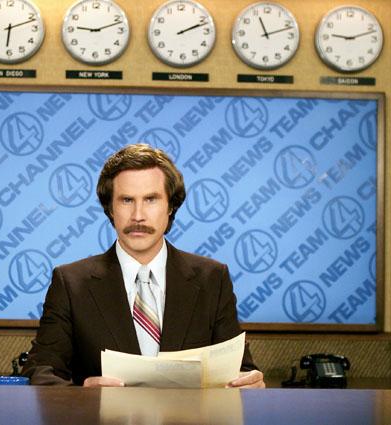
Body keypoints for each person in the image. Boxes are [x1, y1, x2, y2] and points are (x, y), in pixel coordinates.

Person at [22, 143, 265, 388]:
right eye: (127, 200)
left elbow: (240, 370)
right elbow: (40, 372)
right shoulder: (71, 284)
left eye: (151, 199)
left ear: (170, 206)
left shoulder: (213, 279)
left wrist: (249, 384)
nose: (138, 215)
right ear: (110, 208)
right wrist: (84, 396)